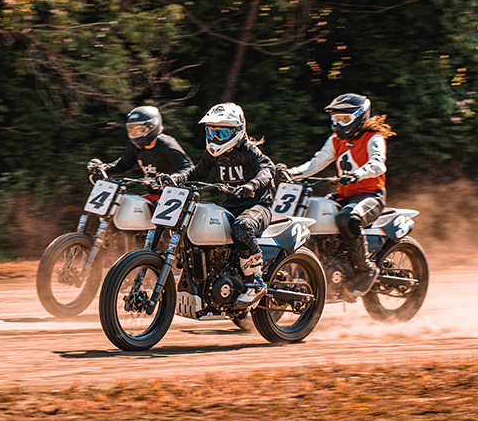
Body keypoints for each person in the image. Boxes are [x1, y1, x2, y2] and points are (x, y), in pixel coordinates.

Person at [158, 102, 275, 308]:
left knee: (242, 228)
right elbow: (194, 175)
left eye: (221, 134)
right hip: (232, 205)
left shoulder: (248, 150)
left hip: (258, 206)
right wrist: (176, 179)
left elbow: (268, 168)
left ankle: (255, 281)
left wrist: (253, 184)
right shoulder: (213, 154)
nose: (215, 139)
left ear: (238, 131)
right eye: (211, 132)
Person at [278, 93, 396, 296]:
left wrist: (357, 174)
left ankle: (366, 270)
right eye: (335, 119)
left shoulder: (373, 138)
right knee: (313, 214)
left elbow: (377, 164)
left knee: (348, 218)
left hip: (371, 195)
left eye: (344, 119)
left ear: (360, 117)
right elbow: (316, 163)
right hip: (344, 196)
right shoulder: (335, 141)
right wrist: (291, 173)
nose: (338, 125)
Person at [87, 106, 194, 202]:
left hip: (173, 198)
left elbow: (189, 168)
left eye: (140, 130)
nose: (136, 134)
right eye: (133, 130)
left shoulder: (167, 145)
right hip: (152, 196)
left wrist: (175, 178)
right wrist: (103, 168)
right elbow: (122, 165)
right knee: (128, 208)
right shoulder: (135, 146)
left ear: (153, 126)